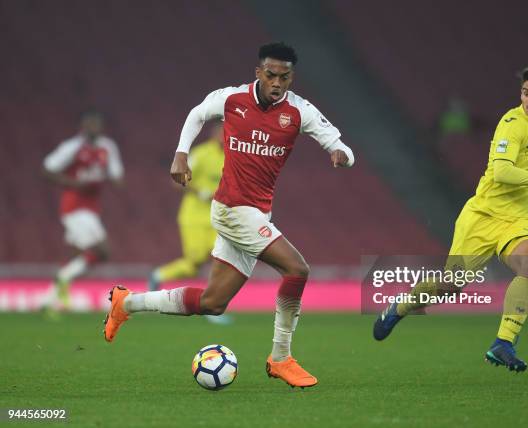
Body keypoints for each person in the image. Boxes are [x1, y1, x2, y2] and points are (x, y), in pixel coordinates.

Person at [103, 42, 355, 388]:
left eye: (284, 77)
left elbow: (337, 142)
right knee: (297, 269)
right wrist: (181, 154)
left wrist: (341, 154)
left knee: (213, 302)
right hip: (233, 209)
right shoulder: (232, 98)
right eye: (270, 75)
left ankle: (125, 303)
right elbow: (197, 113)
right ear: (258, 73)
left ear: (291, 78)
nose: (277, 83)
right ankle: (281, 358)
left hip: (257, 213)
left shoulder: (300, 111)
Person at [373, 65, 528, 372]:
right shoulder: (511, 124)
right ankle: (400, 306)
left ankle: (503, 343)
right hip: (482, 215)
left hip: (515, 219)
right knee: (451, 286)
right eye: (525, 93)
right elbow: (504, 173)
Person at [148, 122, 231, 325]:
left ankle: (211, 306)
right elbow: (177, 179)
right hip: (193, 217)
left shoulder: (232, 157)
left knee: (221, 258)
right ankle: (158, 275)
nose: (225, 136)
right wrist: (199, 191)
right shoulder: (201, 154)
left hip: (217, 217)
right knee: (194, 263)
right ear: (214, 134)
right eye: (222, 132)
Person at [42, 109, 123, 312]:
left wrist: (112, 179)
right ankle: (62, 279)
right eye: (89, 124)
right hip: (74, 206)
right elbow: (47, 168)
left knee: (78, 255)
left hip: (93, 207)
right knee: (102, 250)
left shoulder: (107, 147)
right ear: (82, 126)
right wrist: (73, 183)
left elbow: (116, 175)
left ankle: (49, 300)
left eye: (96, 124)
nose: (93, 127)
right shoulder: (72, 147)